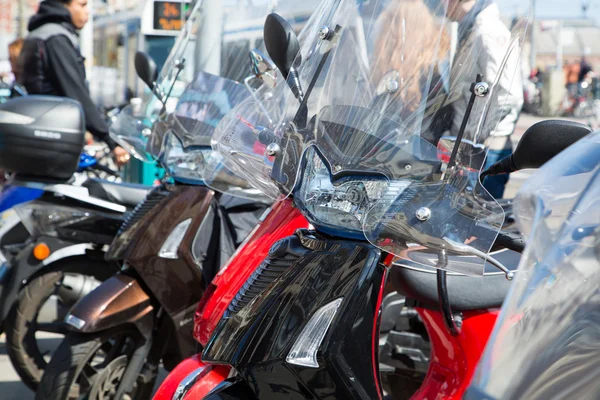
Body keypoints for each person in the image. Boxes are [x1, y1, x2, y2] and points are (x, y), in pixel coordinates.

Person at [18, 0, 130, 166]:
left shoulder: (42, 33)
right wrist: (111, 141)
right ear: (64, 5)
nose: (87, 12)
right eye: (82, 5)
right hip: (54, 140)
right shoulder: (55, 39)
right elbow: (76, 94)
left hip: (42, 136)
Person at [445, 0, 524, 199]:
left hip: (486, 149)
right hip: (473, 145)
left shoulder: (487, 32)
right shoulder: (473, 30)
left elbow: (507, 94)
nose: (441, 5)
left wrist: (478, 135)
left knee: (480, 223)